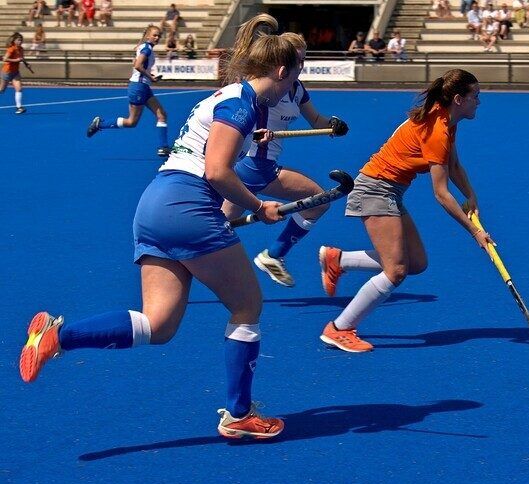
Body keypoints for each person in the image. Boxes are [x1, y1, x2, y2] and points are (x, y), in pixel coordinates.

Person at [19, 34, 302, 440]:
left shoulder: (233, 98)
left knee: (159, 324)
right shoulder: (240, 106)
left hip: (155, 205)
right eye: (296, 75)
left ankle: (57, 335)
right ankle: (239, 414)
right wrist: (259, 208)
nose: (295, 85)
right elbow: (217, 173)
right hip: (188, 207)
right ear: (280, 71)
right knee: (247, 305)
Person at [317, 69, 491, 352]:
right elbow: (440, 194)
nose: (479, 102)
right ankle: (339, 327)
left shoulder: (446, 120)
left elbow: (454, 166)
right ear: (458, 99)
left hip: (389, 190)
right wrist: (475, 232)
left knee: (416, 262)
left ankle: (339, 260)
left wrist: (471, 195)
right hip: (375, 189)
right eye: (476, 96)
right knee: (396, 270)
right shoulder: (437, 130)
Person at [220, 32, 349, 288]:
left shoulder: (297, 88)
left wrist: (333, 124)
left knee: (216, 228)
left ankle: (177, 261)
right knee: (318, 202)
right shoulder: (264, 85)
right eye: (295, 61)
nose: (299, 67)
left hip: (256, 167)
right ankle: (273, 255)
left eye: (302, 60)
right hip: (257, 166)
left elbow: (316, 121)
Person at [86, 25, 171, 158]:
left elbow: (136, 64)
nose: (157, 38)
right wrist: (151, 77)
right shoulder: (147, 48)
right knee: (131, 122)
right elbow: (137, 65)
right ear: (148, 36)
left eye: (159, 36)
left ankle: (163, 147)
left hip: (143, 87)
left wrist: (148, 75)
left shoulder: (144, 47)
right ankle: (100, 124)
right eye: (154, 35)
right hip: (138, 87)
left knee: (162, 115)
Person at [1, 33, 27, 115]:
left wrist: (26, 63)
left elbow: (21, 58)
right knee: (1, 90)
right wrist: (16, 60)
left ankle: (19, 107)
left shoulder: (21, 49)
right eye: (18, 40)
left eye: (21, 40)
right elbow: (5, 59)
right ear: (14, 41)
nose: (20, 42)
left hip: (15, 72)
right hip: (7, 72)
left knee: (19, 89)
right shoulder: (11, 49)